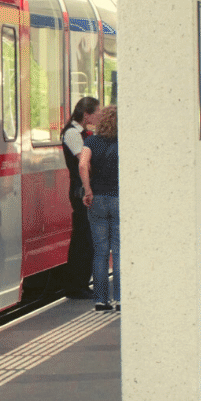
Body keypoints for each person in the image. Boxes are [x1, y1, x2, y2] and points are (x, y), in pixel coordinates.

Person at [79, 104, 120, 312]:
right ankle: (122, 299)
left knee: (101, 251)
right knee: (120, 251)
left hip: (97, 199)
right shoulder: (124, 142)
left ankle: (101, 300)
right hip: (120, 198)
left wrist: (88, 190)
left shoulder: (91, 141)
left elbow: (82, 164)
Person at [61, 95, 99, 298]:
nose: (99, 116)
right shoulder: (73, 134)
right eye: (96, 113)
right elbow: (83, 162)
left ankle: (81, 283)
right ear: (86, 114)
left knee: (86, 237)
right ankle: (76, 286)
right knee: (82, 237)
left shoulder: (80, 133)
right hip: (80, 189)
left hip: (82, 188)